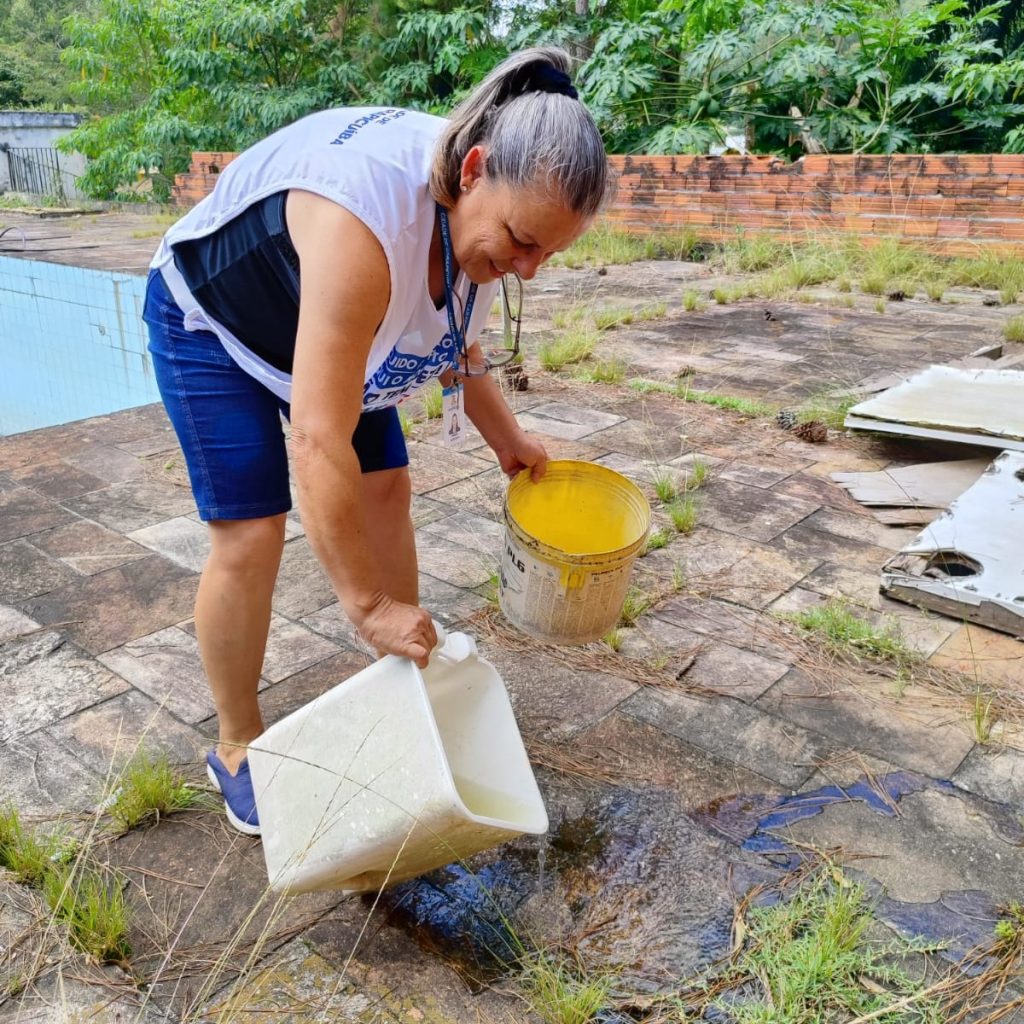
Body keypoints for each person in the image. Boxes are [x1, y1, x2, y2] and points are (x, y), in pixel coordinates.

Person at [142, 46, 610, 835]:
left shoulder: (477, 231)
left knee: (389, 484)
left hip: (334, 333)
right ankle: (235, 746)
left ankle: (406, 692)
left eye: (548, 255)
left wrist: (511, 441)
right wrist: (366, 604)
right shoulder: (367, 222)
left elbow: (456, 345)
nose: (528, 270)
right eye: (523, 242)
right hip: (213, 324)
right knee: (252, 533)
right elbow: (320, 436)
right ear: (474, 170)